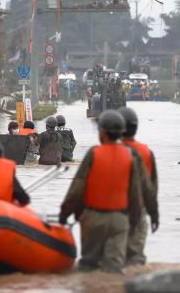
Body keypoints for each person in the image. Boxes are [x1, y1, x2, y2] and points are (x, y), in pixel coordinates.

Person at [59, 110, 156, 274]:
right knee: (114, 270)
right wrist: (141, 217)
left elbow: (78, 188)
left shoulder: (94, 153)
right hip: (120, 220)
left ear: (102, 132)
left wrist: (65, 212)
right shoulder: (131, 155)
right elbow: (137, 191)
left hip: (93, 219)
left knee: (89, 266)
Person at [117, 107, 160, 265]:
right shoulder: (146, 152)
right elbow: (152, 187)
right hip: (138, 209)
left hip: (113, 210)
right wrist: (154, 213)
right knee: (135, 258)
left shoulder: (108, 150)